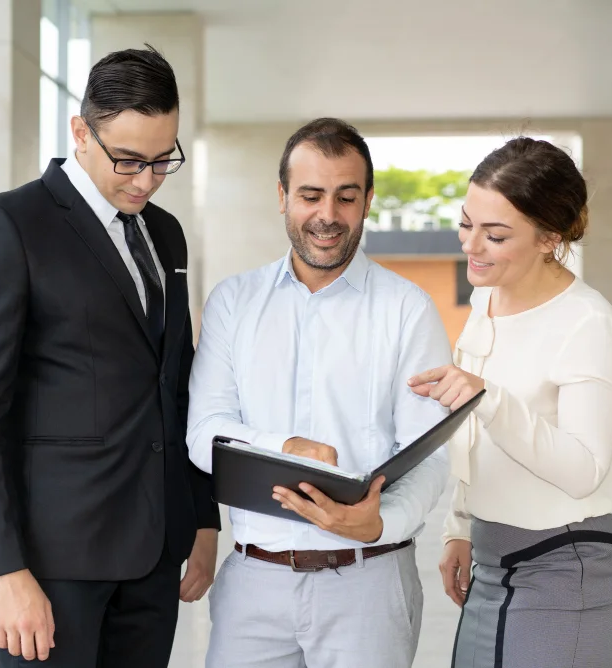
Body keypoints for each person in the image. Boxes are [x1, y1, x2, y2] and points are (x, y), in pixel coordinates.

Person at [0, 45, 220, 668]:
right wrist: (4, 569)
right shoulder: (8, 226)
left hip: (154, 557)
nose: (146, 179)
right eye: (129, 159)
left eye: (162, 160)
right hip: (52, 565)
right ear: (80, 133)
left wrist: (202, 517)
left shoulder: (165, 231)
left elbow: (177, 382)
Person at [186, 117, 452, 668]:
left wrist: (380, 522)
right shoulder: (233, 303)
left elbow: (430, 452)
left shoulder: (408, 309)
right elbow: (202, 432)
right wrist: (285, 446)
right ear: (282, 197)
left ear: (368, 201)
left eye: (345, 196)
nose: (327, 215)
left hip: (369, 580)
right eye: (310, 195)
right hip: (253, 585)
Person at [407, 137, 612, 668]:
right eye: (467, 223)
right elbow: (473, 429)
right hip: (491, 559)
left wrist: (489, 398)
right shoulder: (489, 297)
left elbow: (584, 470)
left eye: (496, 234)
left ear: (549, 237)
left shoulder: (587, 323)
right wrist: (460, 526)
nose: (471, 245)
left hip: (565, 567)